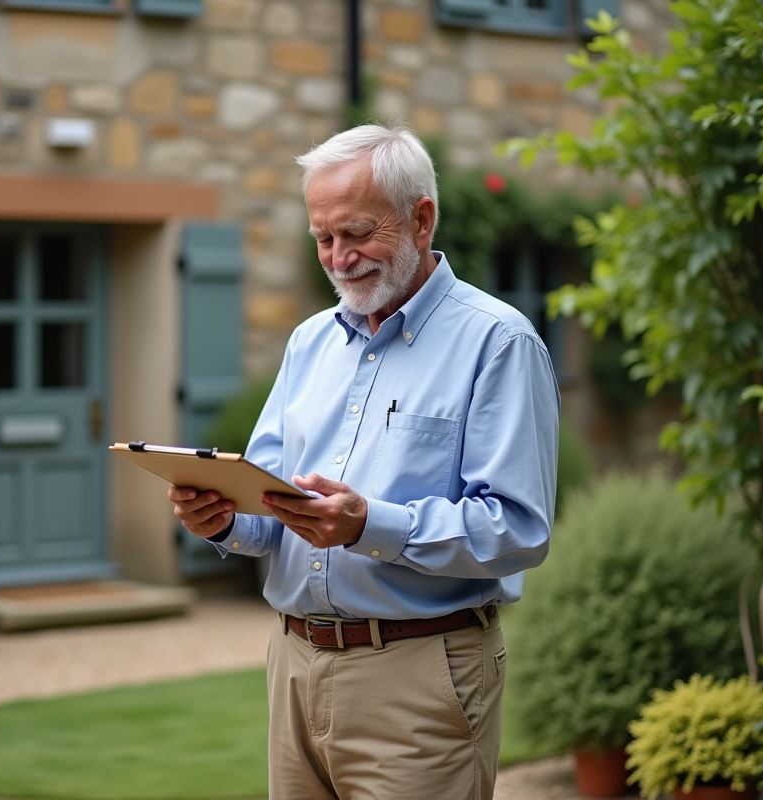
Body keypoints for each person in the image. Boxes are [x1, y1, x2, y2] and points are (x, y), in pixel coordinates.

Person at [168, 124, 559, 800]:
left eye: (356, 234)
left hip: (420, 674)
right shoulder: (309, 343)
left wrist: (368, 525)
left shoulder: (499, 343)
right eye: (324, 239)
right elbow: (269, 508)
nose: (339, 259)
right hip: (292, 664)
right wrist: (221, 520)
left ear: (422, 218)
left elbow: (518, 529)